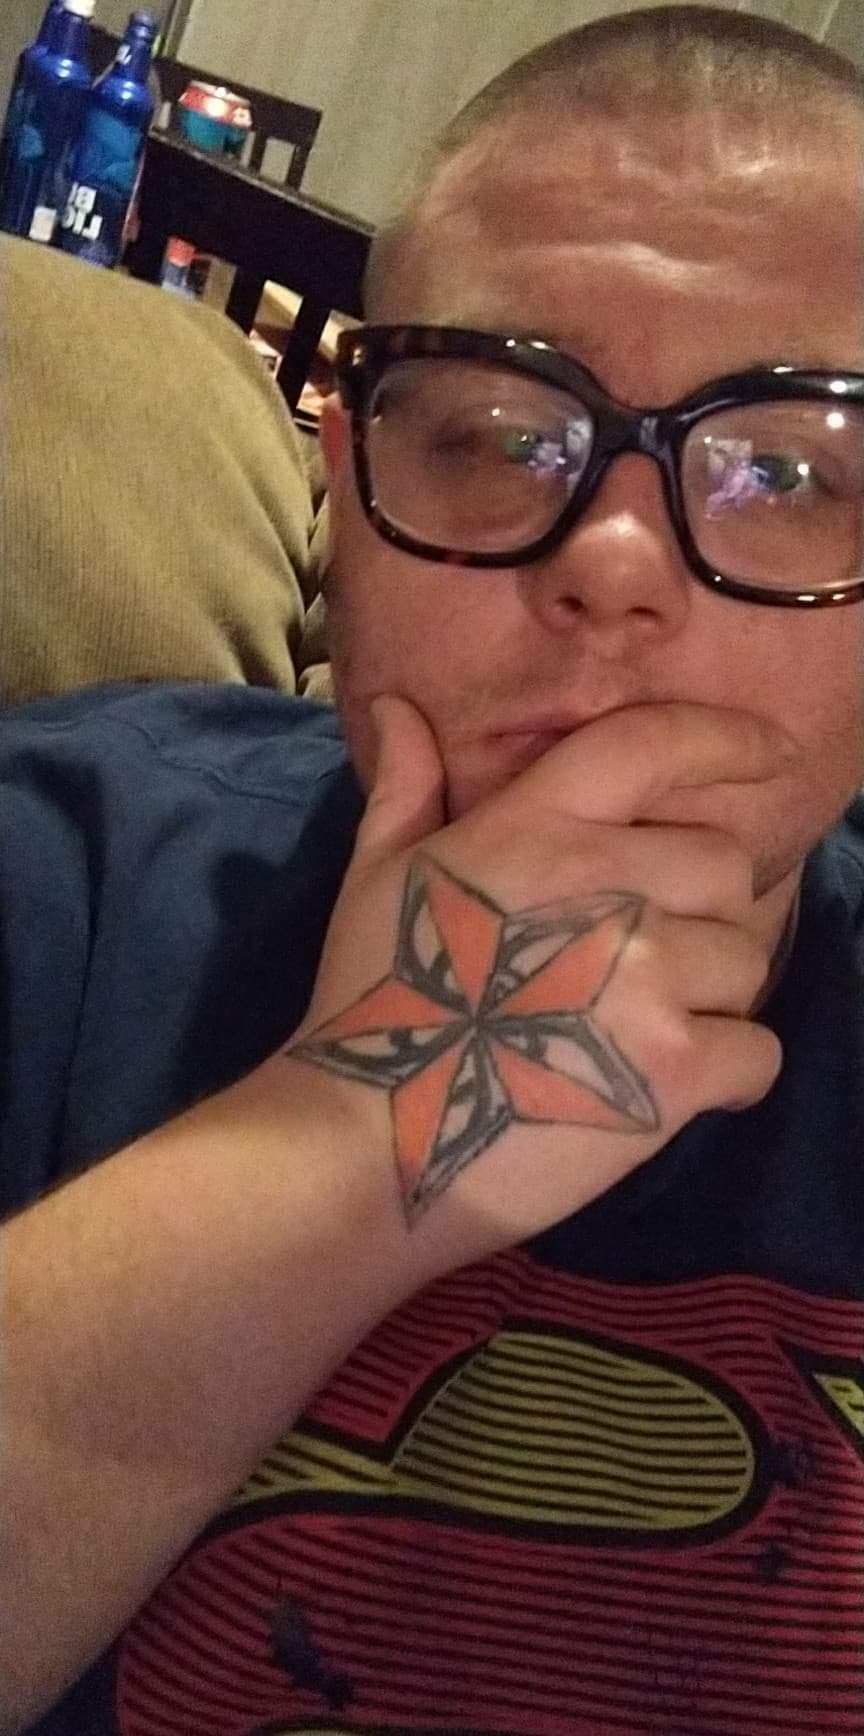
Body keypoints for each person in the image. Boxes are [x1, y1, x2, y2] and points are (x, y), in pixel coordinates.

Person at [4, 5, 864, 1731]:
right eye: (495, 432)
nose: (614, 560)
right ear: (343, 480)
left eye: (789, 471)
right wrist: (356, 1138)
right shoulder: (57, 874)